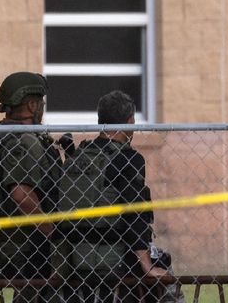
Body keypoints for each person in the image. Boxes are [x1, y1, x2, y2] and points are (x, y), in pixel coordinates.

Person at [57, 91, 168, 303]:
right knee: (167, 283)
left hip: (72, 258)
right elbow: (133, 213)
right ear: (130, 122)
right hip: (114, 260)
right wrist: (146, 264)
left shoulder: (78, 156)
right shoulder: (128, 159)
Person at [0, 72, 64, 303]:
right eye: (41, 103)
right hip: (30, 247)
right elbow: (22, 195)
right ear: (32, 104)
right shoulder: (23, 140)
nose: (42, 109)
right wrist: (54, 235)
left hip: (15, 243)